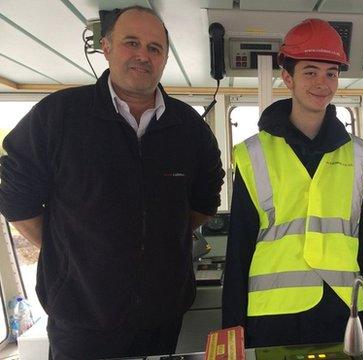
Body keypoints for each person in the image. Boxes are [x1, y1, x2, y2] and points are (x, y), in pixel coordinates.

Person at [0, 6, 225, 359]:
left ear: (165, 58)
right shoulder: (57, 116)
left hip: (161, 315)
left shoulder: (190, 128)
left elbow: (203, 202)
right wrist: (73, 254)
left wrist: (159, 243)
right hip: (80, 316)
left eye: (154, 48)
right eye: (131, 43)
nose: (142, 55)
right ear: (106, 47)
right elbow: (16, 199)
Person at [221, 18, 363, 348]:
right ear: (288, 78)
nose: (322, 83)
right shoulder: (253, 154)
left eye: (331, 73)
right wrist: (232, 331)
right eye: (310, 71)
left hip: (343, 310)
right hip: (271, 317)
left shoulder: (359, 155)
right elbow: (238, 251)